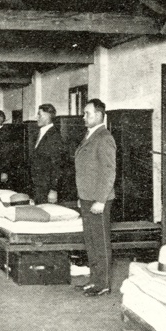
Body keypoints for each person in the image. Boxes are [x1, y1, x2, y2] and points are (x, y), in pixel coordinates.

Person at [75, 99, 117, 297]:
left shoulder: (104, 137)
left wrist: (101, 200)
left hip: (98, 199)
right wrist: (81, 196)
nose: (84, 117)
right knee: (91, 242)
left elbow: (109, 172)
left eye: (87, 113)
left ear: (99, 115)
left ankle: (104, 284)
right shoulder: (90, 134)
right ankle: (94, 280)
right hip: (87, 196)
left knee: (100, 242)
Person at [30, 103, 67, 204]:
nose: (36, 117)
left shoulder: (55, 136)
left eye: (39, 114)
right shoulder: (38, 133)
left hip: (47, 187)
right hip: (37, 185)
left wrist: (53, 189)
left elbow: (58, 165)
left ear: (47, 116)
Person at [0, 110, 26, 190]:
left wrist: (4, 171)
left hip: (0, 170)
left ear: (0, 119)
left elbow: (7, 154)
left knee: (0, 191)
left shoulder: (5, 133)